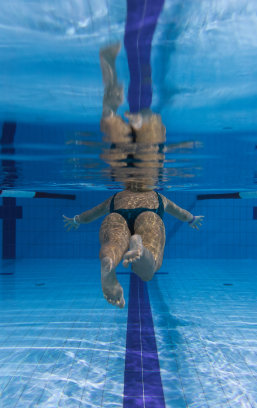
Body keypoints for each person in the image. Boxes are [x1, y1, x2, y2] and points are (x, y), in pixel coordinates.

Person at [62, 40, 204, 309]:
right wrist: (191, 218)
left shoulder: (116, 196)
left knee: (113, 244)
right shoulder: (158, 198)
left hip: (116, 212)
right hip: (149, 212)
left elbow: (93, 213)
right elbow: (178, 211)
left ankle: (108, 263)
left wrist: (78, 220)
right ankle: (140, 248)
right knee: (149, 268)